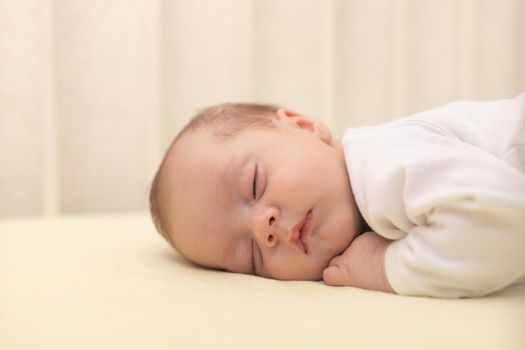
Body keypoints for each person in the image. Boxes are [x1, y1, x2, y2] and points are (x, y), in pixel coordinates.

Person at [149, 94, 525, 298]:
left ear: (303, 126)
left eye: (253, 186)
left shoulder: (382, 159)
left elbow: (504, 226)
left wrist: (384, 267)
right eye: (251, 256)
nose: (264, 228)